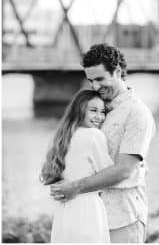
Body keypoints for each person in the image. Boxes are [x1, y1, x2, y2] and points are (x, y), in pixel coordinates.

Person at [50, 43, 156, 243]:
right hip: (90, 216)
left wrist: (75, 187)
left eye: (100, 79)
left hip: (123, 217)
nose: (95, 86)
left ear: (117, 71)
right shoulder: (96, 107)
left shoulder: (137, 113)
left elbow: (125, 170)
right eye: (90, 81)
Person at [40, 89, 115, 243]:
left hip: (64, 210)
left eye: (103, 112)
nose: (100, 117)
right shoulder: (94, 135)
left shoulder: (64, 137)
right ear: (79, 110)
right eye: (93, 110)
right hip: (88, 208)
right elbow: (108, 175)